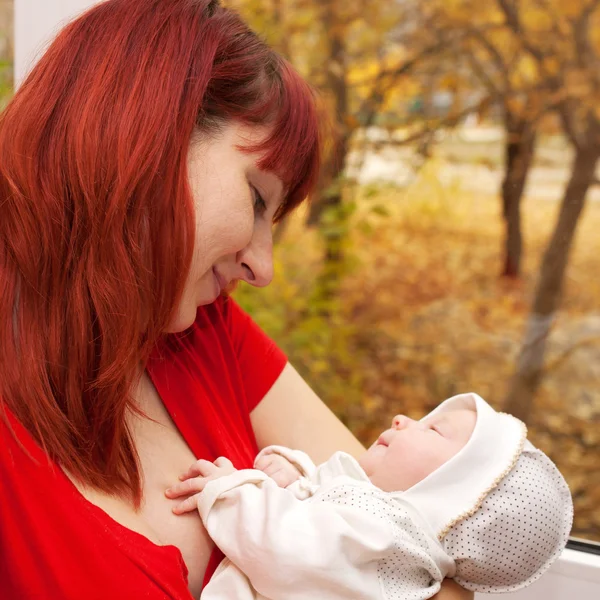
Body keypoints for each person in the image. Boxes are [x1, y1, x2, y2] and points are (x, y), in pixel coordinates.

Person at [0, 1, 471, 598]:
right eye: (255, 200)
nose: (263, 267)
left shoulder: (208, 333)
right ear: (137, 138)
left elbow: (417, 553)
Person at [166, 393, 573, 599]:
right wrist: (295, 475)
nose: (403, 419)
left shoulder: (385, 537)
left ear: (455, 495)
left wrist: (234, 493)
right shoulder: (384, 529)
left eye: (432, 430)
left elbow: (290, 549)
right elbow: (330, 508)